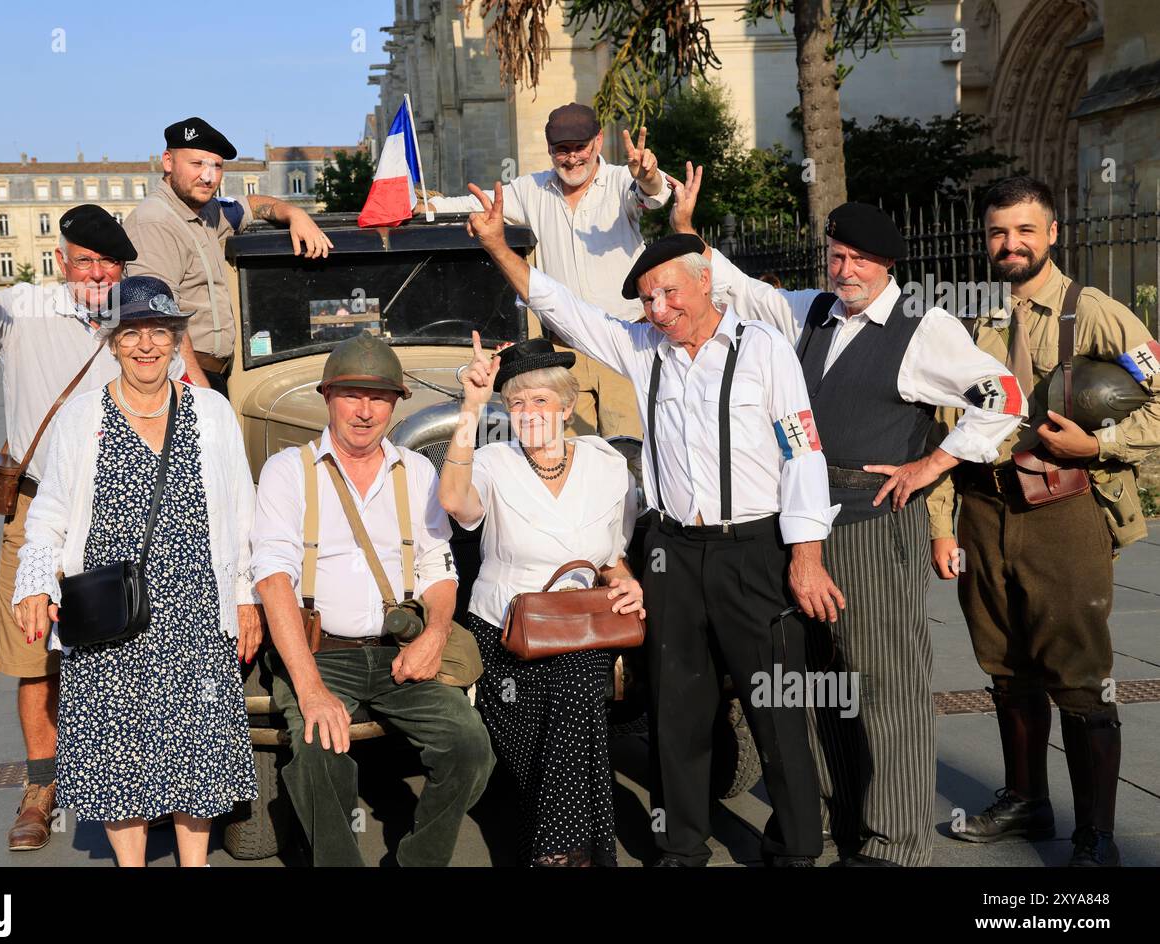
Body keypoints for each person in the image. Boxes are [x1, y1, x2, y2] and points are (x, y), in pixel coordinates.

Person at [467, 180, 845, 867]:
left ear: (706, 284)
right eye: (645, 299)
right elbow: (562, 307)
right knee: (677, 704)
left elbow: (803, 453)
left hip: (754, 549)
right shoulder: (643, 349)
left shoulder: (763, 348)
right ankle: (680, 843)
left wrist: (807, 553)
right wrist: (497, 244)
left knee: (774, 704)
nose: (657, 309)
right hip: (672, 548)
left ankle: (795, 845)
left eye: (668, 294)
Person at [671, 165, 1028, 865]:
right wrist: (684, 229)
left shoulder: (923, 328)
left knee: (884, 684)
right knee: (814, 683)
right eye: (836, 255)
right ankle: (832, 820)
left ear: (888, 263)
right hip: (799, 524)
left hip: (874, 525)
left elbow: (1005, 394)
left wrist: (937, 461)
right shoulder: (808, 310)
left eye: (859, 258)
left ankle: (897, 842)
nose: (845, 268)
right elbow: (738, 287)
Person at [0, 205, 186, 851]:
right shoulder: (25, 310)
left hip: (120, 514)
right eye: (85, 260)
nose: (98, 274)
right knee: (36, 657)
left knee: (128, 650)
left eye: (110, 263)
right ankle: (41, 790)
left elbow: (183, 391)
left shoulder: (136, 318)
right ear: (63, 256)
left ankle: (137, 777)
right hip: (36, 508)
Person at [929, 177, 1160, 866]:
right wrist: (942, 525)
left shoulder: (1094, 313)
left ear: (1052, 233)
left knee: (1078, 674)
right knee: (1004, 666)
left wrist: (1097, 446)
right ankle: (1027, 800)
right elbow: (942, 425)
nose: (1012, 244)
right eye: (999, 232)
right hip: (981, 508)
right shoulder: (968, 320)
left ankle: (1095, 836)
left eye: (1026, 230)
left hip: (1062, 507)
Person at [10, 276, 261, 866]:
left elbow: (244, 513)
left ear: (177, 339)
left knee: (198, 750)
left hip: (197, 614)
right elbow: (47, 516)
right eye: (131, 333)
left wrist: (246, 595)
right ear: (112, 341)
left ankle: (194, 864)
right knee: (121, 754)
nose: (145, 345)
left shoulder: (212, 413)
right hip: (111, 620)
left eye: (159, 331)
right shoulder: (82, 418)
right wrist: (35, 584)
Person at [251, 332, 495, 866]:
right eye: (351, 395)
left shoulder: (418, 472)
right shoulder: (287, 471)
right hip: (319, 655)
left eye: (379, 397)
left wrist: (434, 635)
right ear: (327, 396)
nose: (364, 411)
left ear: (396, 403)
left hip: (396, 652)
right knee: (320, 754)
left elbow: (438, 568)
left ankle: (417, 862)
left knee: (469, 749)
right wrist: (311, 689)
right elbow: (273, 581)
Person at [438, 334, 644, 866]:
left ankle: (558, 856)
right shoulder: (489, 462)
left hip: (579, 628)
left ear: (568, 406)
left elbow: (611, 558)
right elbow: (453, 501)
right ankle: (585, 850)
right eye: (516, 403)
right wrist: (470, 408)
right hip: (507, 628)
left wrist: (629, 581)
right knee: (543, 756)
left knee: (572, 694)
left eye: (540, 401)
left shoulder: (606, 467)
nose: (527, 413)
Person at [422, 103, 670, 440]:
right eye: (561, 150)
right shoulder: (531, 189)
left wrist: (648, 175)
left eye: (579, 147)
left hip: (625, 344)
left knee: (631, 456)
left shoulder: (620, 180)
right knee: (569, 456)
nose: (571, 158)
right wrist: (424, 206)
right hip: (564, 351)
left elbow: (654, 194)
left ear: (598, 141)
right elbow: (473, 205)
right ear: (550, 149)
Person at [123, 116, 332, 394]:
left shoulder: (209, 211)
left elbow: (254, 205)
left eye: (217, 166)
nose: (208, 177)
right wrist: (200, 392)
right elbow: (159, 317)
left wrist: (296, 214)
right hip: (181, 376)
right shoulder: (155, 221)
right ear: (168, 162)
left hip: (220, 372)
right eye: (197, 164)